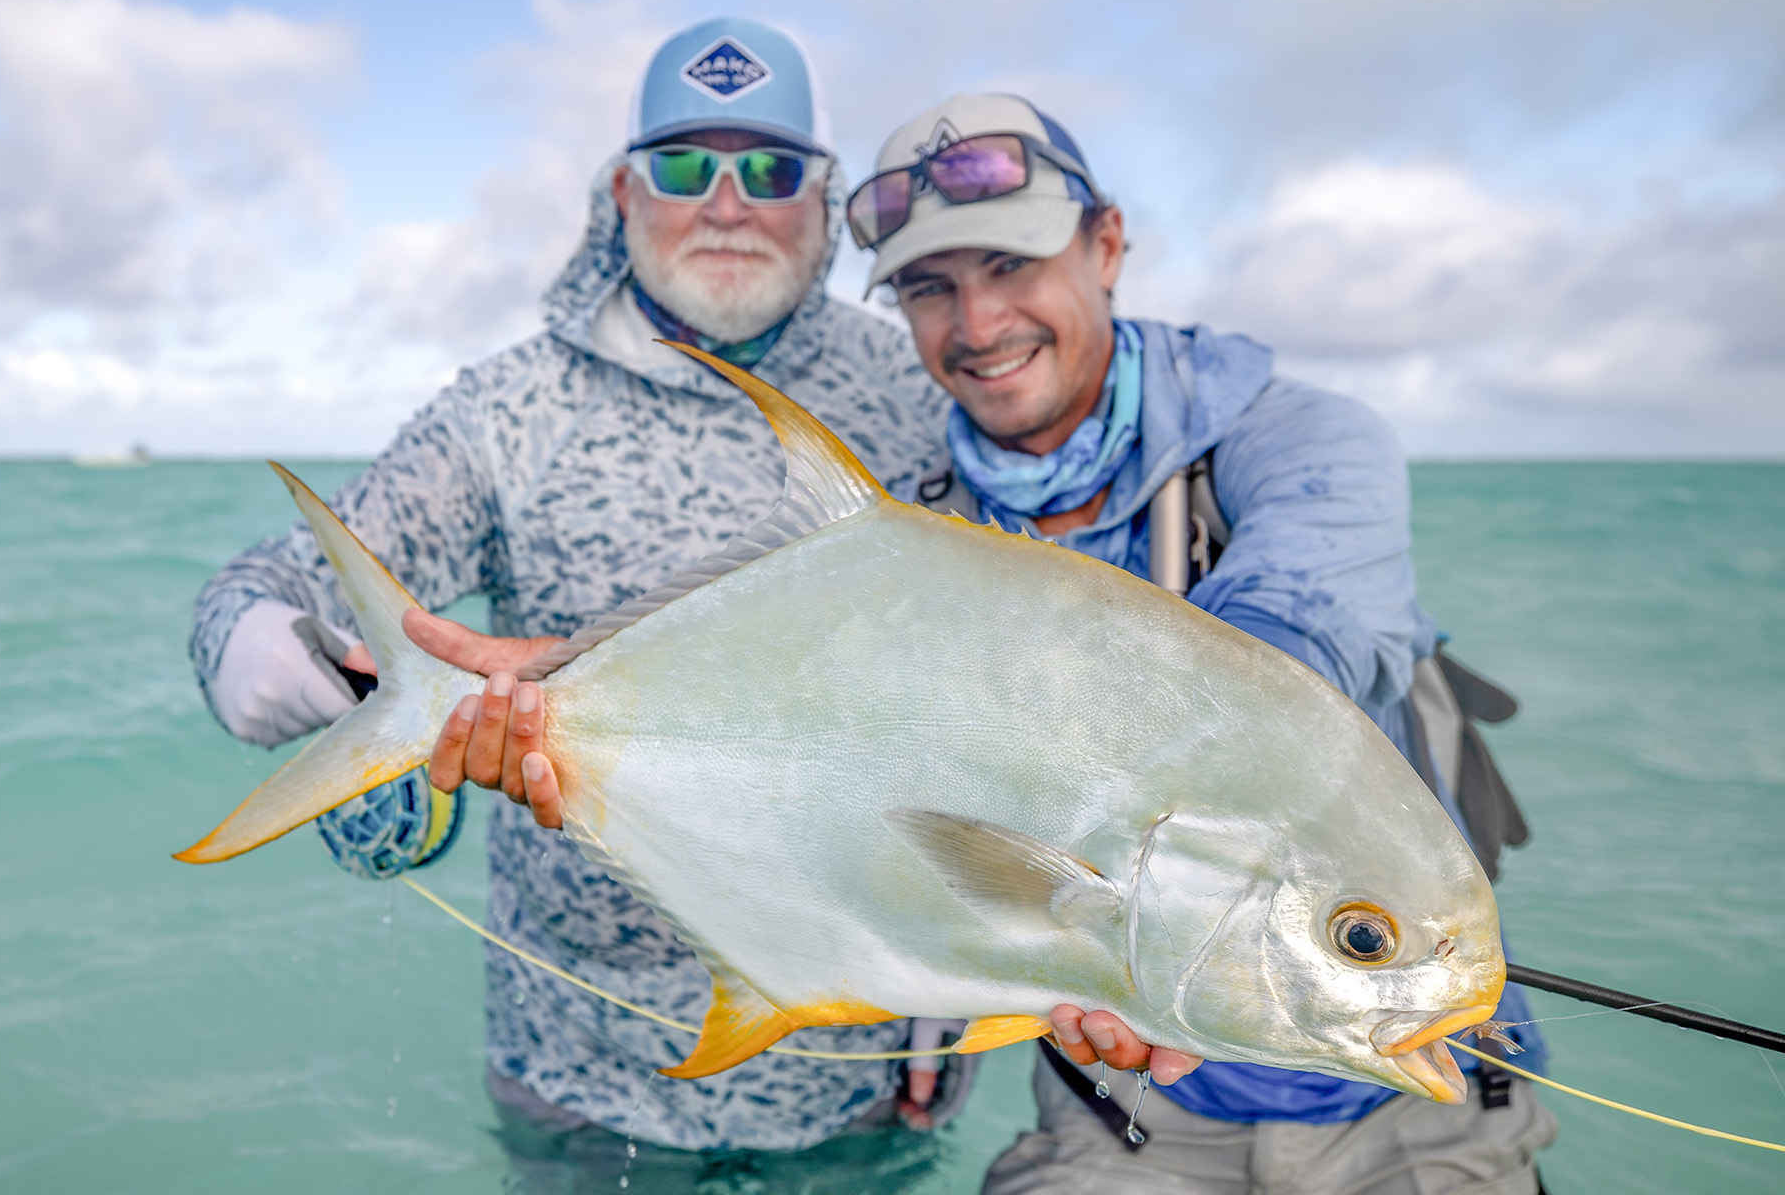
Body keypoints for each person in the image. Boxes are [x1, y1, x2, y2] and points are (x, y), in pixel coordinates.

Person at [426, 93, 1558, 1194]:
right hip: (1120, 1103)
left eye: (1011, 266)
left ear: (1106, 244)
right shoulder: (919, 522)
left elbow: (1293, 652)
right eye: (929, 287)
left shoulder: (1300, 440)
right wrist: (578, 698)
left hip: (1417, 1098)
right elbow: (861, 765)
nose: (976, 327)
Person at [188, 16, 966, 1179]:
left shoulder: (924, 385)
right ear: (621, 190)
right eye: (684, 165)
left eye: (769, 168)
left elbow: (1017, 683)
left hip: (860, 1093)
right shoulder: (508, 407)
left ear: (823, 197)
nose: (727, 201)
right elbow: (261, 588)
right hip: (582, 1086)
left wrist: (969, 983)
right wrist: (353, 691)